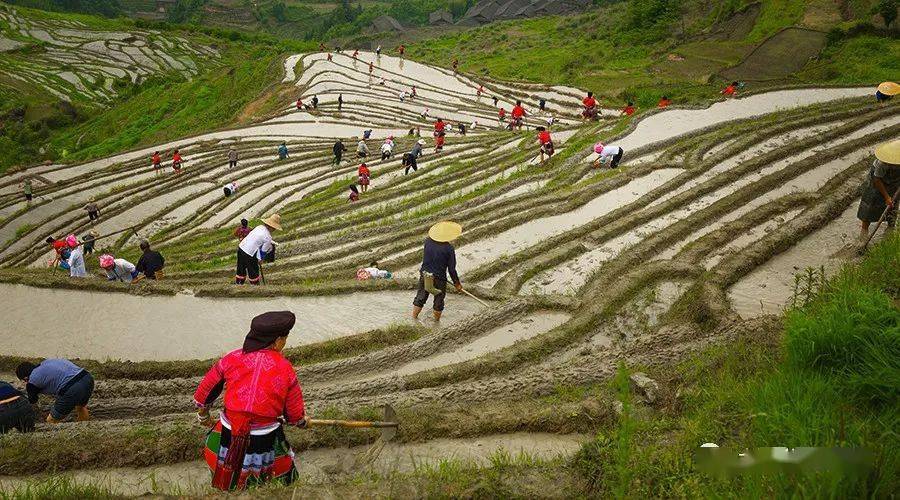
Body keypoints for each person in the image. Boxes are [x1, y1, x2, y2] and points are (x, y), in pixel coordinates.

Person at [194, 311, 306, 491]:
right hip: (264, 435)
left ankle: (230, 484)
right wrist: (300, 422)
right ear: (277, 341)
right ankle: (284, 489)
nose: (284, 343)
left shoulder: (231, 358)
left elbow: (205, 392)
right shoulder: (285, 368)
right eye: (285, 339)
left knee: (225, 462)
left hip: (230, 428)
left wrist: (203, 416)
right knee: (284, 470)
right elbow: (293, 414)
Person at [412, 221, 463, 322]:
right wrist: (457, 283)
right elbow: (452, 269)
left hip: (425, 274)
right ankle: (436, 324)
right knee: (439, 300)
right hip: (439, 278)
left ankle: (413, 319)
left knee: (420, 297)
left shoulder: (428, 241)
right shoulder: (449, 249)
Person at [16, 359, 94, 423]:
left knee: (51, 420)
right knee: (80, 407)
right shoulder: (47, 362)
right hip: (87, 378)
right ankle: (83, 426)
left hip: (72, 388)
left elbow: (33, 400)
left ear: (25, 378)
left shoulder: (32, 381)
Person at [857, 140, 899, 242]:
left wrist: (891, 198)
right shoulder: (882, 163)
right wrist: (886, 197)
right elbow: (877, 180)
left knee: (893, 206)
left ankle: (889, 232)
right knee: (870, 206)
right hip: (877, 183)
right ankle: (863, 237)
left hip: (894, 183)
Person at [236, 215, 280, 285]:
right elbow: (263, 251)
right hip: (250, 253)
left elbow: (257, 238)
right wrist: (260, 259)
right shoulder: (268, 237)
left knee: (241, 268)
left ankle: (239, 284)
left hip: (241, 248)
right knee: (253, 271)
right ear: (272, 227)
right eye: (274, 228)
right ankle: (255, 286)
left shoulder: (259, 227)